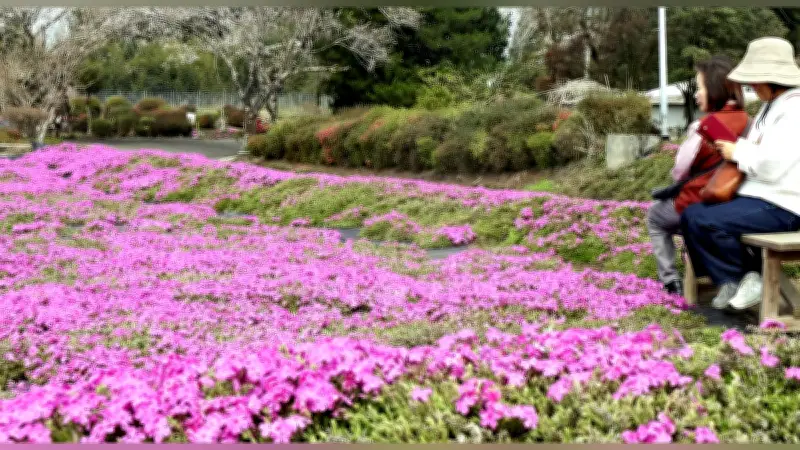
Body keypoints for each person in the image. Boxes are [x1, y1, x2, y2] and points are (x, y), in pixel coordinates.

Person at [681, 37, 800, 310]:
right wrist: (738, 149)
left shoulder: (795, 110)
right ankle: (735, 279)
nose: (752, 87)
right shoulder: (772, 107)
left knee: (706, 221)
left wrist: (737, 152)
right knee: (692, 215)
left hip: (783, 204)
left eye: (756, 80)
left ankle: (743, 277)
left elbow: (773, 165)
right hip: (761, 198)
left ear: (772, 79)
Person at [647, 55, 749, 296]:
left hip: (700, 200)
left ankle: (671, 280)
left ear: (714, 89)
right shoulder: (748, 121)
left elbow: (680, 169)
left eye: (700, 87)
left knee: (655, 217)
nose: (696, 93)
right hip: (734, 202)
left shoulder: (704, 126)